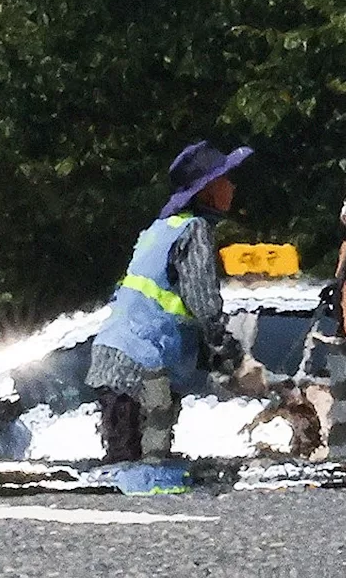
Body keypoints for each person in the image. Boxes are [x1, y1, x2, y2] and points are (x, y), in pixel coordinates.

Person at [86, 140, 249, 463]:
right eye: (226, 179)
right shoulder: (195, 230)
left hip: (117, 361)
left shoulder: (159, 230)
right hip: (140, 370)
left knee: (129, 464)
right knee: (143, 469)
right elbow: (203, 303)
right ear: (209, 190)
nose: (233, 186)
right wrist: (231, 356)